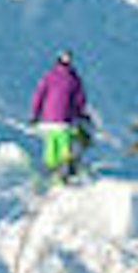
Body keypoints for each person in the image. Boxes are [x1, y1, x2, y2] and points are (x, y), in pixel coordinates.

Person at [29, 50, 91, 182]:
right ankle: (61, 176)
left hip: (49, 120)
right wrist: (81, 115)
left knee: (51, 145)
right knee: (64, 148)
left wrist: (35, 115)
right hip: (65, 120)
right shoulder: (74, 79)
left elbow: (38, 95)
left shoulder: (49, 77)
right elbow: (80, 100)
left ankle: (48, 172)